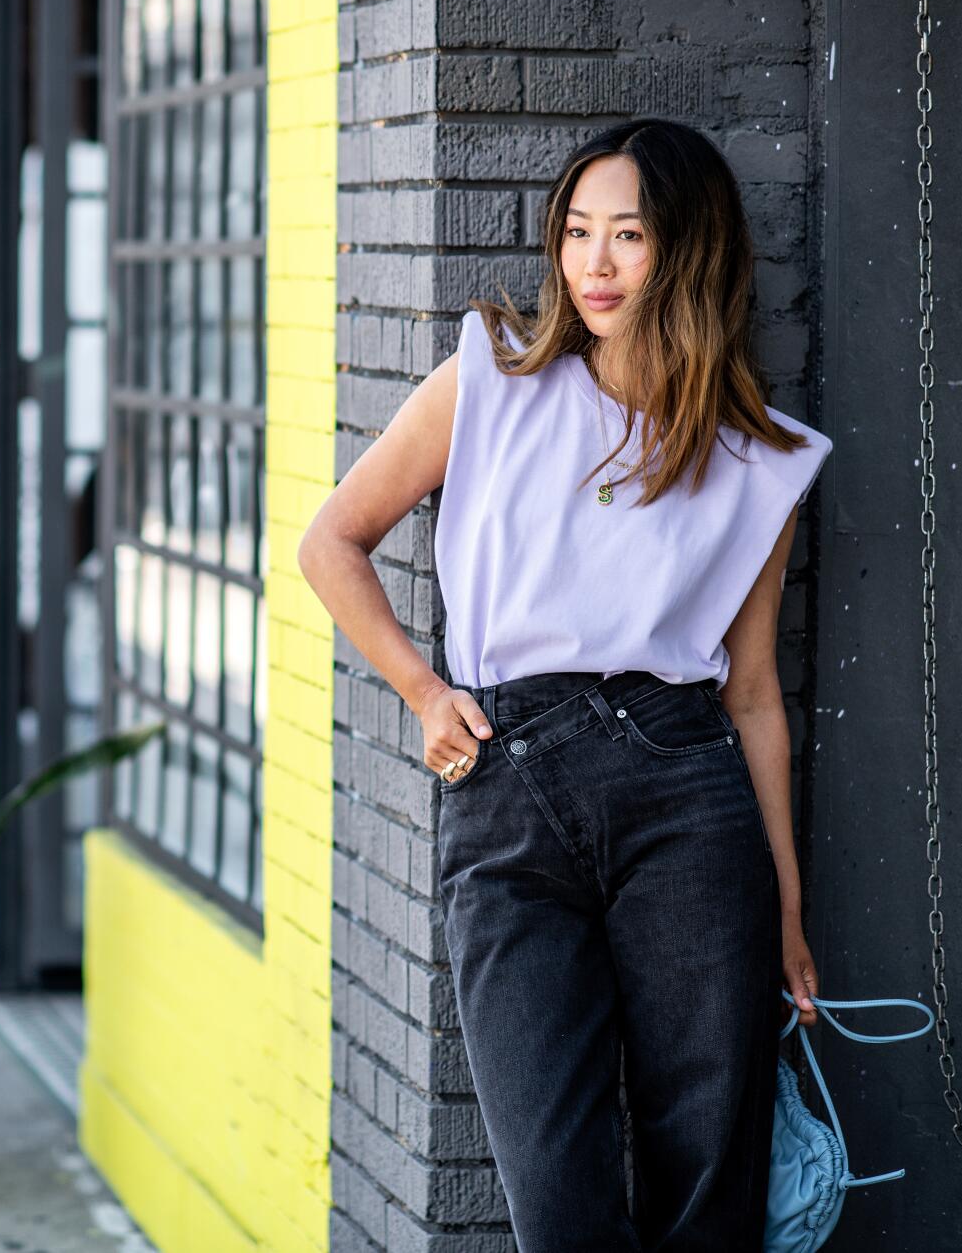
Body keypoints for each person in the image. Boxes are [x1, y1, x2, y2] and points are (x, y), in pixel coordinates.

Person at [297, 117, 830, 1251]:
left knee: (707, 1186)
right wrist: (422, 691)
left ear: (684, 251)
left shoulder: (754, 462)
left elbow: (750, 695)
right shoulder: (487, 382)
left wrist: (785, 905)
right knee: (554, 1192)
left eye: (626, 236)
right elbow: (330, 541)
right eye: (576, 231)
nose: (591, 263)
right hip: (508, 789)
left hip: (685, 798)